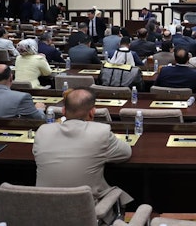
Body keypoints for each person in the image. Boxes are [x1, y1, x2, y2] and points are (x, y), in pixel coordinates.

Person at [33, 88, 132, 223]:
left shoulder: (42, 131)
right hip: (87, 214)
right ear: (92, 112)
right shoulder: (100, 132)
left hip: (44, 212)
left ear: (63, 111)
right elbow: (126, 153)